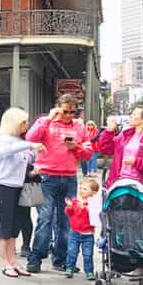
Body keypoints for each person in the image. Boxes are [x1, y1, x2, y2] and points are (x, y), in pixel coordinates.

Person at [25, 94, 94, 273]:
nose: (69, 115)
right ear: (58, 108)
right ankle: (36, 257)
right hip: (46, 176)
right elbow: (30, 138)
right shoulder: (46, 121)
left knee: (66, 221)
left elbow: (88, 153)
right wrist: (48, 119)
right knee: (45, 218)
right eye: (65, 111)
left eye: (73, 112)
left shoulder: (79, 126)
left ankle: (61, 259)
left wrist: (76, 148)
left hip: (69, 177)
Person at [0, 107, 44, 278]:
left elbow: (21, 162)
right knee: (5, 225)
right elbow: (6, 152)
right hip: (4, 186)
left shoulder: (18, 140)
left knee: (15, 225)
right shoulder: (5, 140)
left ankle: (13, 260)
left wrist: (32, 170)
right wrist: (31, 144)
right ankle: (5, 262)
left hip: (19, 185)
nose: (26, 125)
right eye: (24, 122)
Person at [97, 108, 143, 187]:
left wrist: (136, 162)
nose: (130, 116)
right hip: (119, 182)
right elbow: (106, 149)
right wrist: (109, 131)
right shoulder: (125, 135)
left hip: (139, 186)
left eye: (134, 114)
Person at [65, 178, 100, 279]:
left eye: (85, 189)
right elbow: (69, 213)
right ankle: (69, 268)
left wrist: (84, 208)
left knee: (88, 254)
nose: (81, 191)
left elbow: (94, 216)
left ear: (93, 192)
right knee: (72, 252)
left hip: (88, 234)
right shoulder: (75, 201)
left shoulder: (93, 204)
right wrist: (70, 207)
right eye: (80, 188)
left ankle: (89, 271)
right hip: (74, 232)